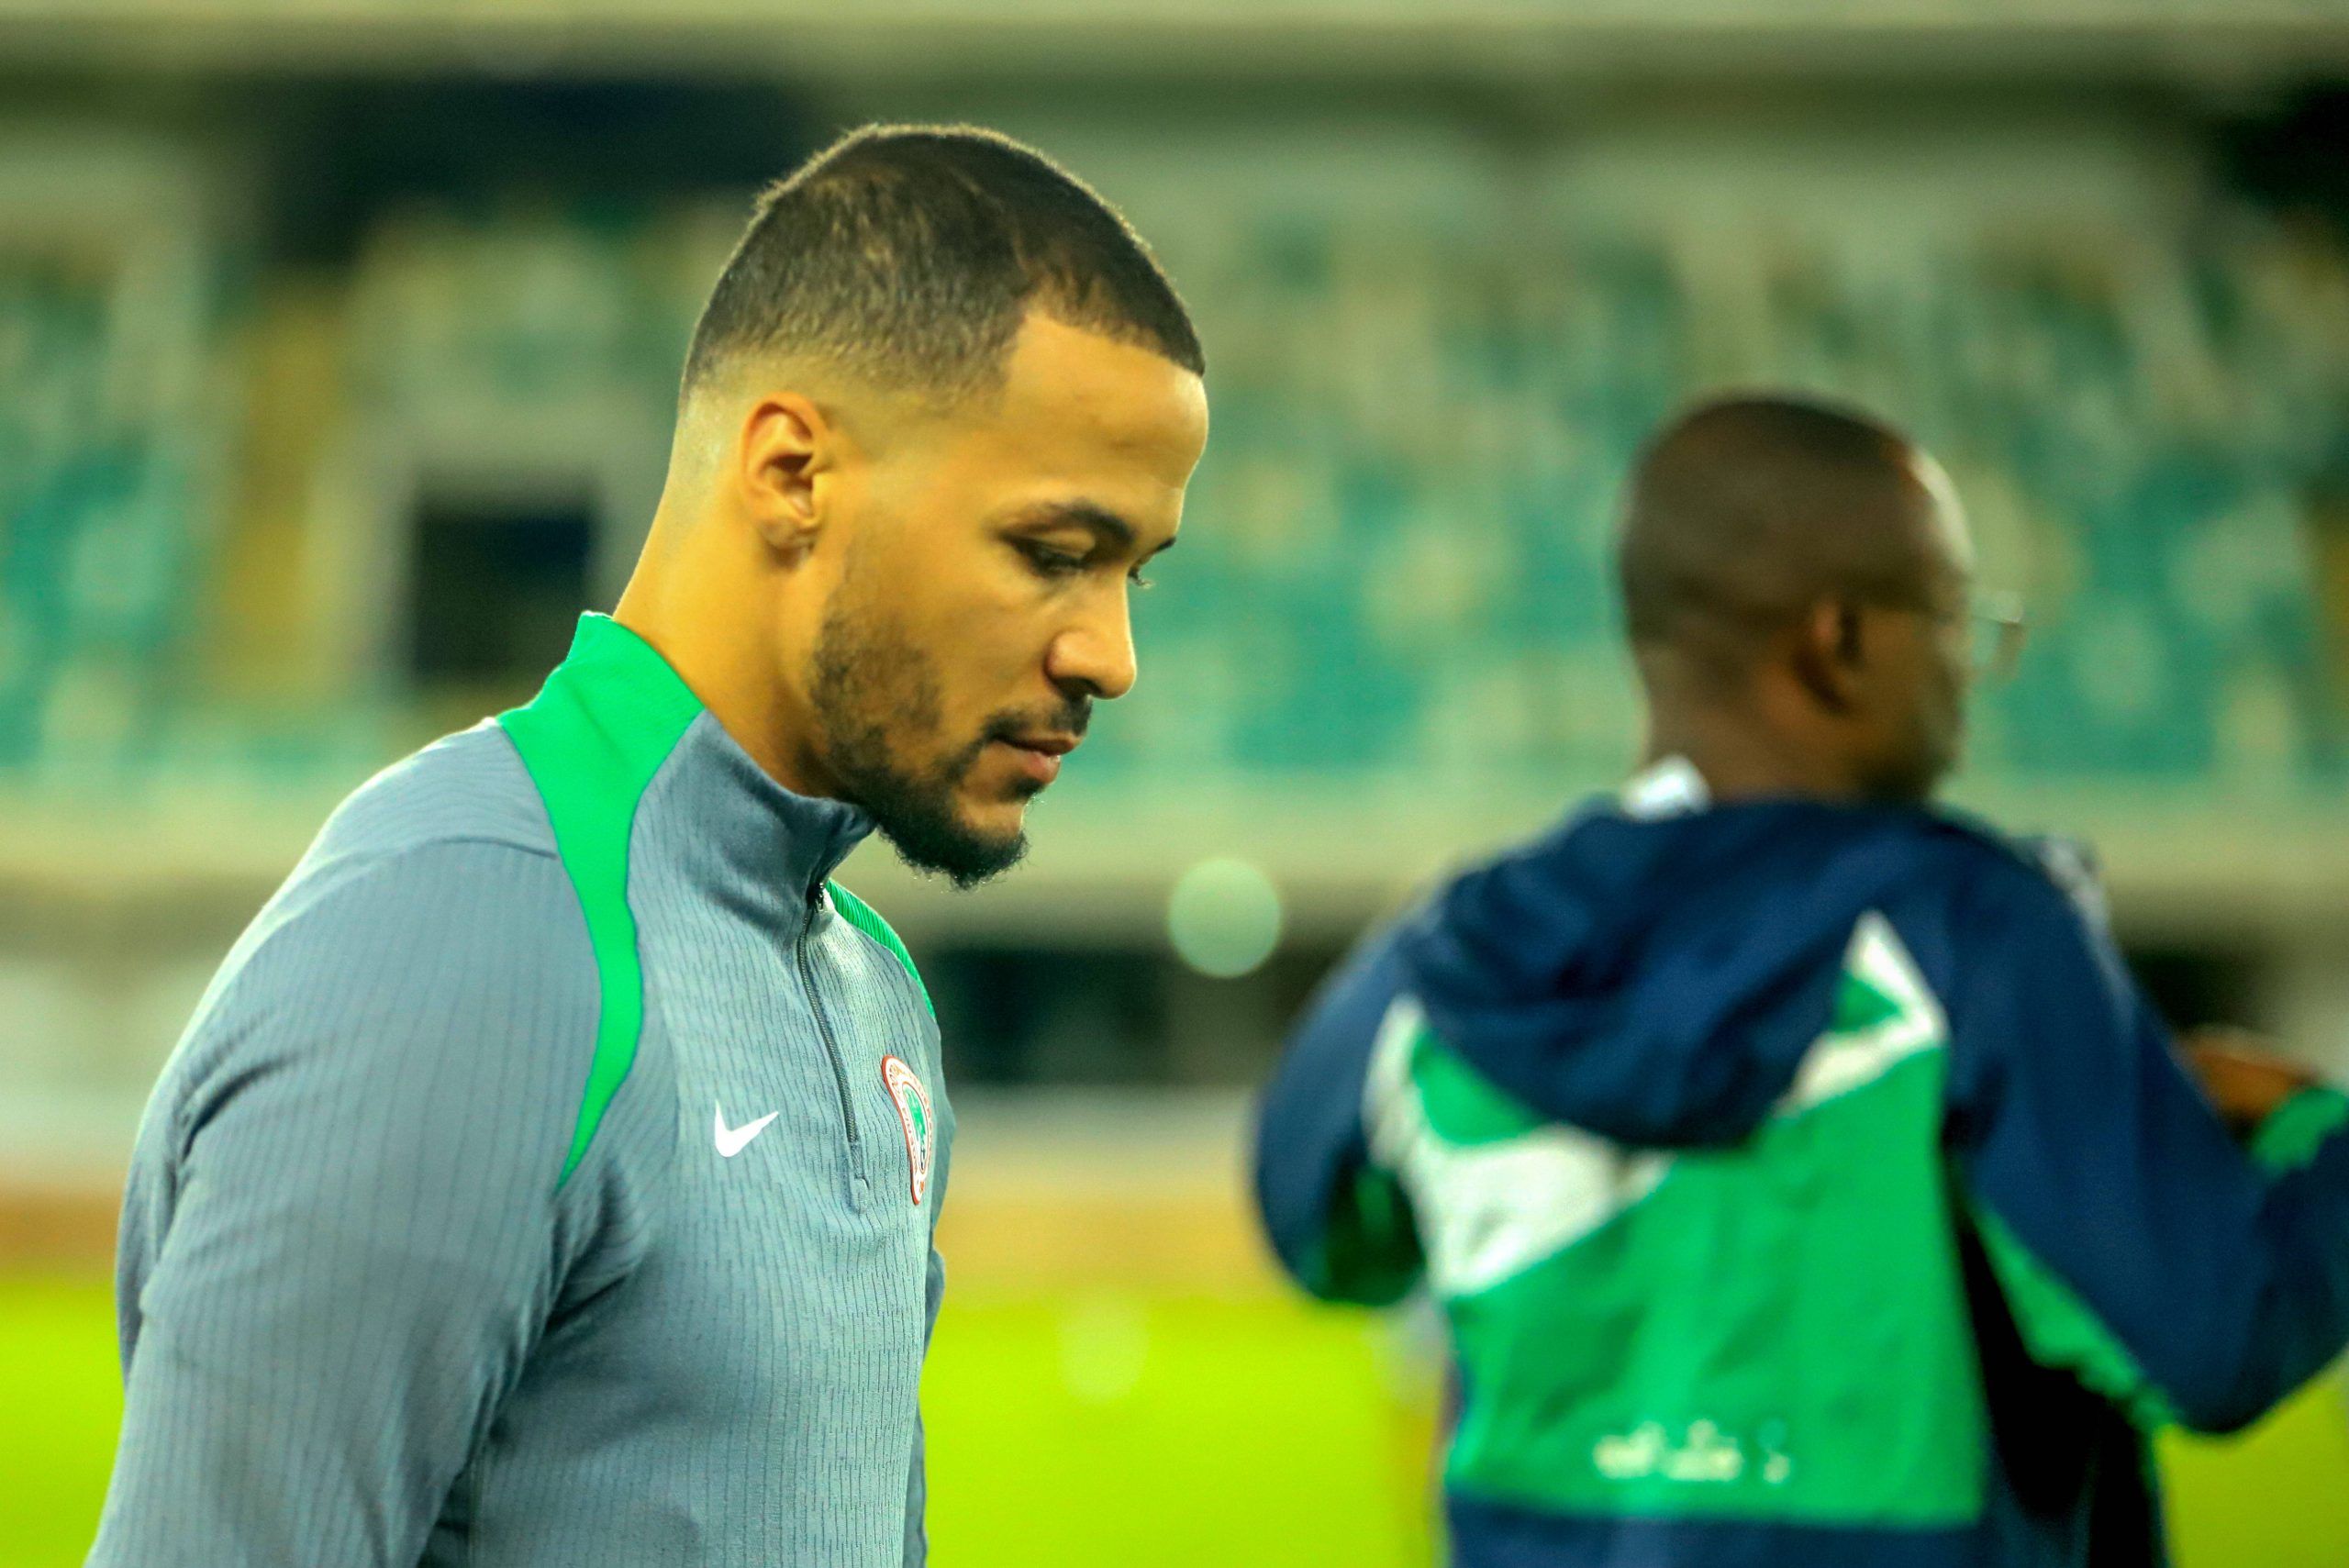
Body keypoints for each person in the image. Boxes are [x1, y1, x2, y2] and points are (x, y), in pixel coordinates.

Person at [91, 125, 1208, 1567]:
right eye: (1058, 552)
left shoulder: (864, 982)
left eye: (1137, 573)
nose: (1111, 655)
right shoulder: (470, 940)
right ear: (793, 471)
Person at [1252, 394, 2349, 1567]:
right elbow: (2218, 1339)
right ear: (1840, 642)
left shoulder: (1448, 955)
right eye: (1951, 619)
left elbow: (1317, 1233)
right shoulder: (1970, 931)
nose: (1966, 676)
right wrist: (2310, 1134)